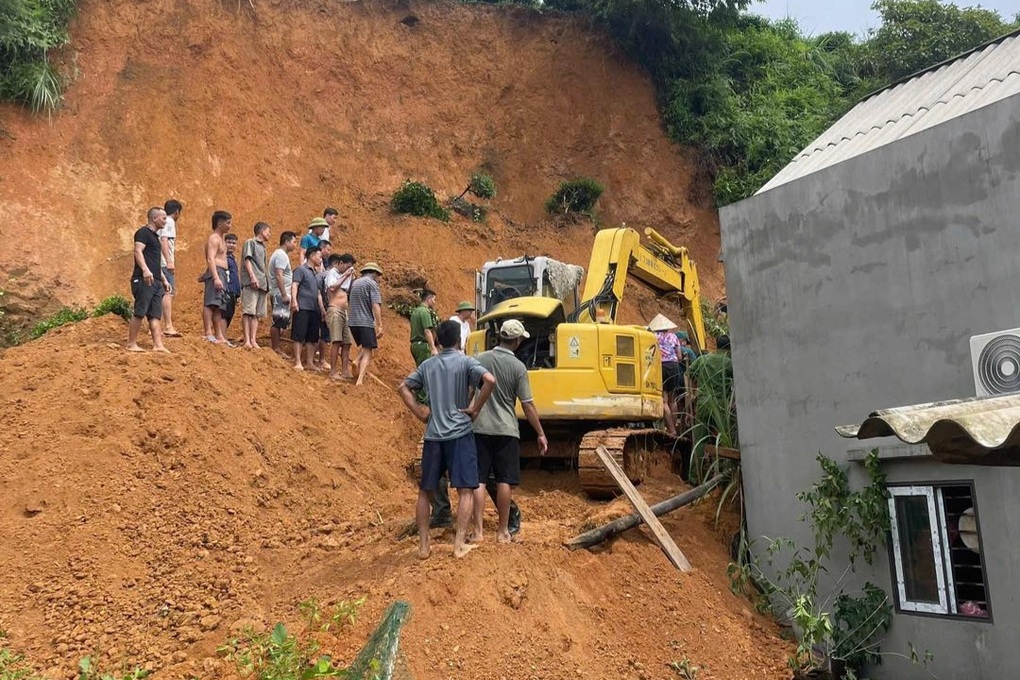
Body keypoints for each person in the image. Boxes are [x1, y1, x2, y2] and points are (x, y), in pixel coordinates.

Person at [397, 320, 496, 560]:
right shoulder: (465, 362)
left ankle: (423, 547)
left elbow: (403, 387)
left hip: (433, 435)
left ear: (438, 341)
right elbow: (490, 381)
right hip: (460, 434)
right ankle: (459, 544)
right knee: (465, 491)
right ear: (459, 340)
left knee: (425, 492)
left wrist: (420, 411)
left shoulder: (428, 365)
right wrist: (475, 408)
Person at [471, 319, 547, 543]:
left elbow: (469, 388)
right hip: (506, 430)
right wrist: (540, 433)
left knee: (479, 480)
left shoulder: (480, 359)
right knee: (504, 480)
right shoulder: (519, 368)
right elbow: (527, 404)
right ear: (516, 341)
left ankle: (478, 531)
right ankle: (503, 531)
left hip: (480, 427)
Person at [126, 207, 171, 353]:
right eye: (163, 218)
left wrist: (163, 279)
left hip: (156, 281)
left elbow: (155, 262)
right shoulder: (143, 233)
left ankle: (158, 345)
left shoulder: (155, 237)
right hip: (144, 279)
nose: (165, 221)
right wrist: (145, 270)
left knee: (155, 314)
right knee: (140, 311)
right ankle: (131, 343)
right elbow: (138, 251)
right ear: (154, 218)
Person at [348, 262, 384, 386]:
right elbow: (375, 305)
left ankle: (357, 360)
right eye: (377, 275)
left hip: (353, 322)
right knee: (369, 351)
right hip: (366, 321)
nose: (377, 277)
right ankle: (360, 380)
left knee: (365, 345)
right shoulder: (372, 284)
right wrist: (379, 325)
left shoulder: (355, 283)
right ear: (374, 273)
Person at [648, 313, 683, 436]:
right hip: (673, 366)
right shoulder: (674, 337)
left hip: (660, 367)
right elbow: (679, 356)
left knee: (664, 400)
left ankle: (670, 429)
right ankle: (674, 428)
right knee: (673, 400)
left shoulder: (653, 336)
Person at [200, 210, 232, 344]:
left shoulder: (221, 239)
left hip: (222, 273)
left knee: (219, 305)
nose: (230, 225)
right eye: (228, 223)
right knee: (210, 303)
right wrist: (215, 277)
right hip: (217, 273)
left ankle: (219, 335)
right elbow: (210, 258)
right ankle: (208, 332)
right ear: (220, 223)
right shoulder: (214, 238)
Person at [291, 246, 323, 371]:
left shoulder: (316, 273)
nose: (321, 260)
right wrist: (294, 301)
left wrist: (322, 309)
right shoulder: (301, 269)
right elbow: (295, 285)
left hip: (314, 309)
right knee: (299, 335)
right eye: (319, 257)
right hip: (302, 307)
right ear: (312, 256)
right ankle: (298, 361)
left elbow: (319, 293)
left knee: (312, 337)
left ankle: (310, 362)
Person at [324, 254, 356, 380]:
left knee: (347, 343)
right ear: (341, 263)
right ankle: (333, 371)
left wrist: (351, 277)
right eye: (347, 266)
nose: (348, 269)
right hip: (335, 309)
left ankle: (344, 371)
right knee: (336, 341)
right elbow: (332, 287)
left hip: (344, 311)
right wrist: (345, 276)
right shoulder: (332, 273)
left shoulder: (345, 275)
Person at [240, 221, 271, 349]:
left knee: (256, 314)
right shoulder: (250, 243)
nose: (270, 234)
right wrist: (252, 277)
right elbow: (247, 260)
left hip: (262, 284)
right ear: (262, 231)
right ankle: (247, 340)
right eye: (268, 232)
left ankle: (253, 339)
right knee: (248, 311)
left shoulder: (263, 247)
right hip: (252, 282)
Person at [269, 231, 297, 358]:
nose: (295, 244)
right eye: (294, 241)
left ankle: (276, 347)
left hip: (281, 293)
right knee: (278, 321)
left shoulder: (281, 254)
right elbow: (279, 275)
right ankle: (275, 348)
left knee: (282, 321)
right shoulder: (280, 255)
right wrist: (284, 294)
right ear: (286, 242)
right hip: (279, 294)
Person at [159, 199, 182, 338]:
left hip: (158, 262)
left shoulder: (162, 222)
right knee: (168, 292)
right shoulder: (169, 221)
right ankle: (168, 325)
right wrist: (169, 261)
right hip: (164, 263)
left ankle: (155, 326)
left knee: (160, 293)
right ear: (177, 212)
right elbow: (164, 240)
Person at [410, 289, 439, 368]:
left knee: (420, 368)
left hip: (414, 345)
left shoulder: (415, 311)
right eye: (433, 299)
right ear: (428, 299)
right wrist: (433, 348)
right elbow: (427, 330)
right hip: (423, 346)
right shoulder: (425, 312)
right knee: (426, 370)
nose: (434, 302)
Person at [222, 234, 242, 338]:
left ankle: (223, 337)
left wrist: (238, 294)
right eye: (229, 242)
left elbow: (235, 277)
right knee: (224, 315)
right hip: (226, 290)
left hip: (233, 291)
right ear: (223, 243)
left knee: (229, 314)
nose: (231, 245)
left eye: (234, 243)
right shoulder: (222, 257)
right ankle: (222, 337)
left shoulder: (232, 258)